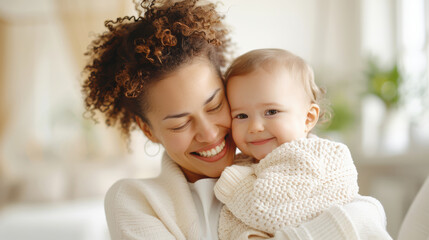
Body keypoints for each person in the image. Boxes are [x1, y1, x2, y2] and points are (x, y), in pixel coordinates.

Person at [81, 0, 392, 239]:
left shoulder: (280, 165)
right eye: (179, 124)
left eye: (215, 105)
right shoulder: (137, 200)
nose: (208, 134)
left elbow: (368, 216)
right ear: (148, 130)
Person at [213, 48, 359, 239]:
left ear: (308, 118)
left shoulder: (311, 157)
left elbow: (269, 211)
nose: (255, 127)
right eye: (241, 115)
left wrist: (233, 183)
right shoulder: (246, 163)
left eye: (271, 112)